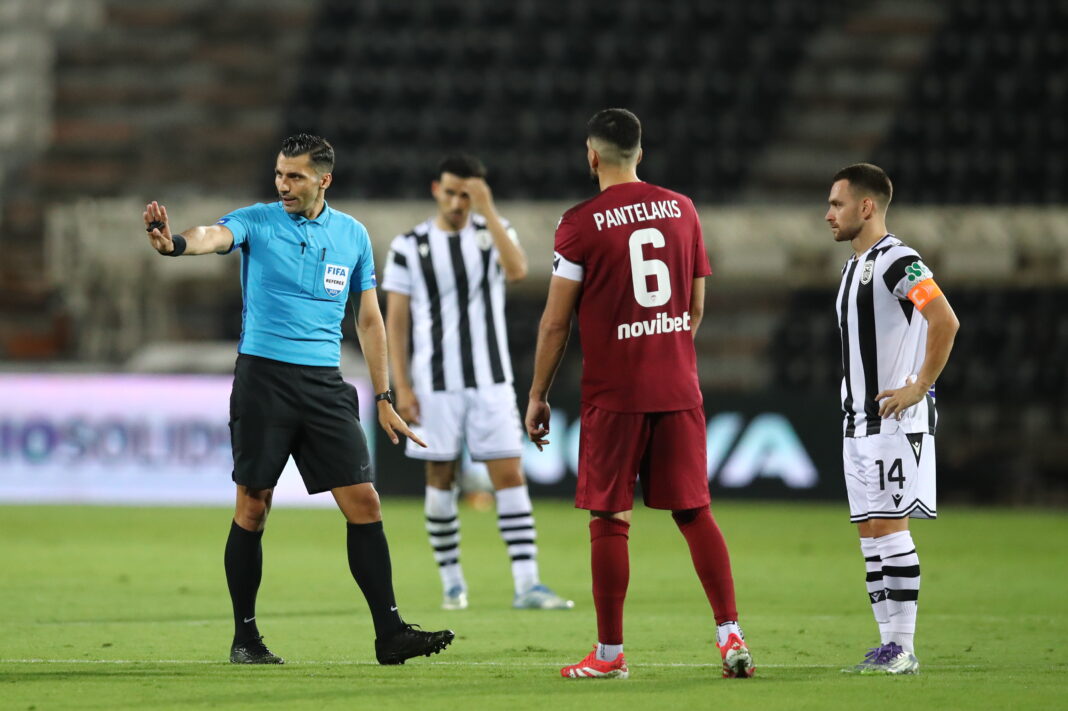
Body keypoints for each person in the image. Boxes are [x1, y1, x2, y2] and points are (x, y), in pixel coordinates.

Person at [142, 133, 454, 666]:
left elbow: (369, 318)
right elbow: (213, 235)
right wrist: (174, 245)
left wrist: (383, 395)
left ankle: (390, 634)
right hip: (264, 379)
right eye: (279, 174)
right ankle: (246, 638)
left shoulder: (352, 235)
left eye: (295, 176)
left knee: (365, 502)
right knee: (253, 506)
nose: (283, 185)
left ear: (323, 179)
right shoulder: (257, 220)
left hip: (325, 385)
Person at [525, 108, 755, 680]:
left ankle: (609, 655)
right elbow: (695, 308)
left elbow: (555, 322)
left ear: (592, 156)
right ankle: (730, 634)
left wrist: (537, 394)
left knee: (609, 515)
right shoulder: (683, 209)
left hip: (614, 393)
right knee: (694, 512)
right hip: (677, 385)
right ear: (640, 154)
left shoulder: (578, 224)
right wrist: (664, 351)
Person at [381, 154, 572, 611]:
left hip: (491, 381)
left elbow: (518, 270)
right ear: (436, 190)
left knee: (509, 474)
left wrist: (487, 209)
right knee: (440, 477)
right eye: (450, 192)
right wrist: (400, 386)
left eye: (466, 194)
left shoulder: (493, 233)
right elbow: (396, 322)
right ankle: (452, 583)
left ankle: (527, 584)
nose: (456, 202)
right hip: (433, 384)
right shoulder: (409, 246)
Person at [826, 163, 959, 675]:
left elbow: (944, 320)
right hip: (858, 423)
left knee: (890, 531)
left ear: (866, 207)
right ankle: (888, 645)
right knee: (871, 537)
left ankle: (903, 648)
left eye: (837, 204)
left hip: (893, 421)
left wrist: (918, 386)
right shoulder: (853, 267)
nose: (828, 214)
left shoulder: (898, 261)